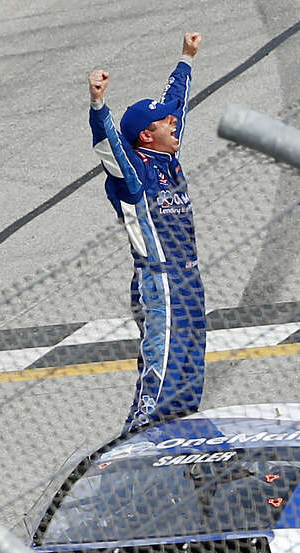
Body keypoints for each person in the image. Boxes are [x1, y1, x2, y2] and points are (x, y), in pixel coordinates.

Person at [88, 33, 205, 435]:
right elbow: (108, 146)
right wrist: (98, 104)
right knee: (162, 375)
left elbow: (178, 104)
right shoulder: (133, 174)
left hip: (189, 280)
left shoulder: (166, 155)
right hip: (160, 282)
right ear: (145, 136)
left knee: (189, 379)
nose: (174, 121)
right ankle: (130, 450)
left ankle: (186, 452)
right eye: (163, 122)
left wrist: (186, 59)